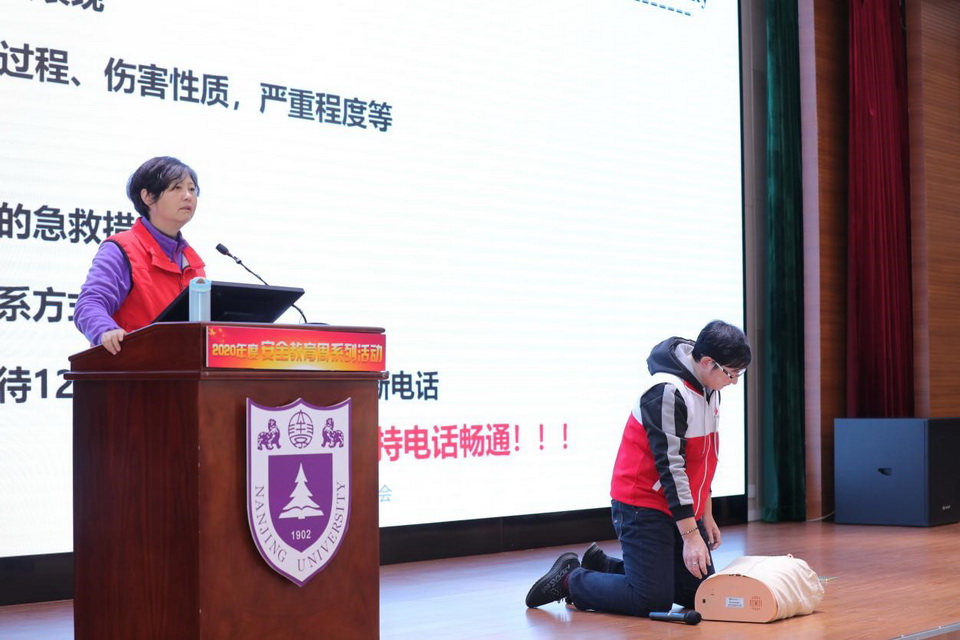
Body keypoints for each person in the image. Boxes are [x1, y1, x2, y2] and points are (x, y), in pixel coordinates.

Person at [524, 320, 752, 617]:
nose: (734, 382)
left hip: (678, 506)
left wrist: (705, 512)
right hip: (642, 504)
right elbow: (671, 468)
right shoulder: (667, 392)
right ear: (708, 362)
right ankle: (570, 579)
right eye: (732, 374)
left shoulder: (710, 386)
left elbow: (704, 457)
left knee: (700, 594)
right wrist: (690, 535)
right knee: (650, 600)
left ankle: (603, 566)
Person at [74, 156, 205, 355]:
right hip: (131, 365)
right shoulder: (122, 248)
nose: (188, 196)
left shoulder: (192, 262)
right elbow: (89, 304)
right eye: (176, 188)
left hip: (180, 369)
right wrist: (106, 331)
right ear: (148, 197)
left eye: (192, 189)